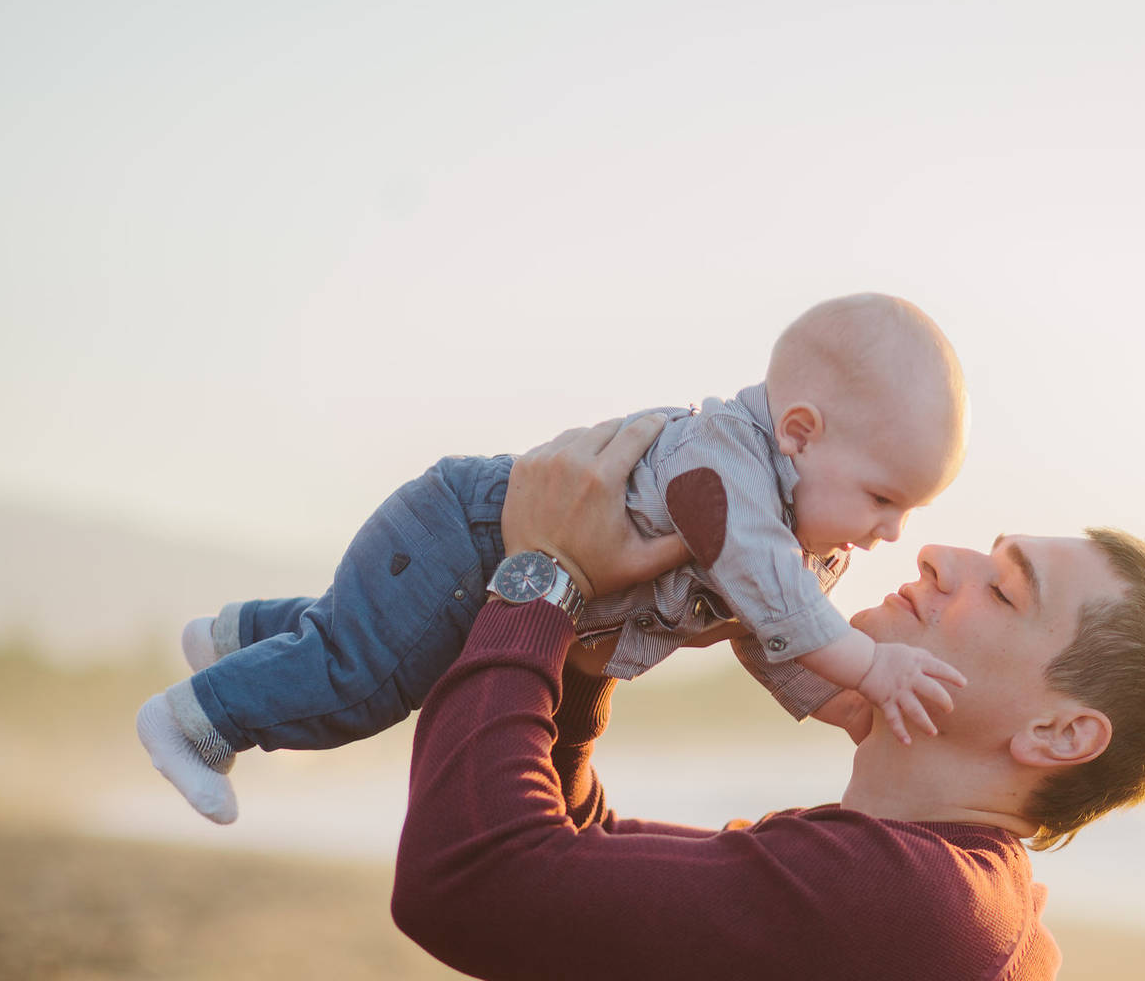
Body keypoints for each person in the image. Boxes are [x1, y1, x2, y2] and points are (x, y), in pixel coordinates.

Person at [391, 415, 1145, 981]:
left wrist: (543, 578)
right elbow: (576, 843)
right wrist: (595, 641)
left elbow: (472, 875)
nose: (935, 557)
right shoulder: (943, 903)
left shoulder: (907, 909)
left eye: (1003, 590)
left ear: (1061, 734)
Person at [134, 294, 969, 824]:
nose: (890, 531)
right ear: (799, 433)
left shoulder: (796, 548)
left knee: (363, 638)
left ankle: (236, 635)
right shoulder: (725, 474)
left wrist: (846, 706)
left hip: (483, 562)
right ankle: (194, 720)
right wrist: (871, 666)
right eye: (882, 498)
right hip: (468, 536)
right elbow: (775, 595)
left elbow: (773, 637)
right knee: (365, 680)